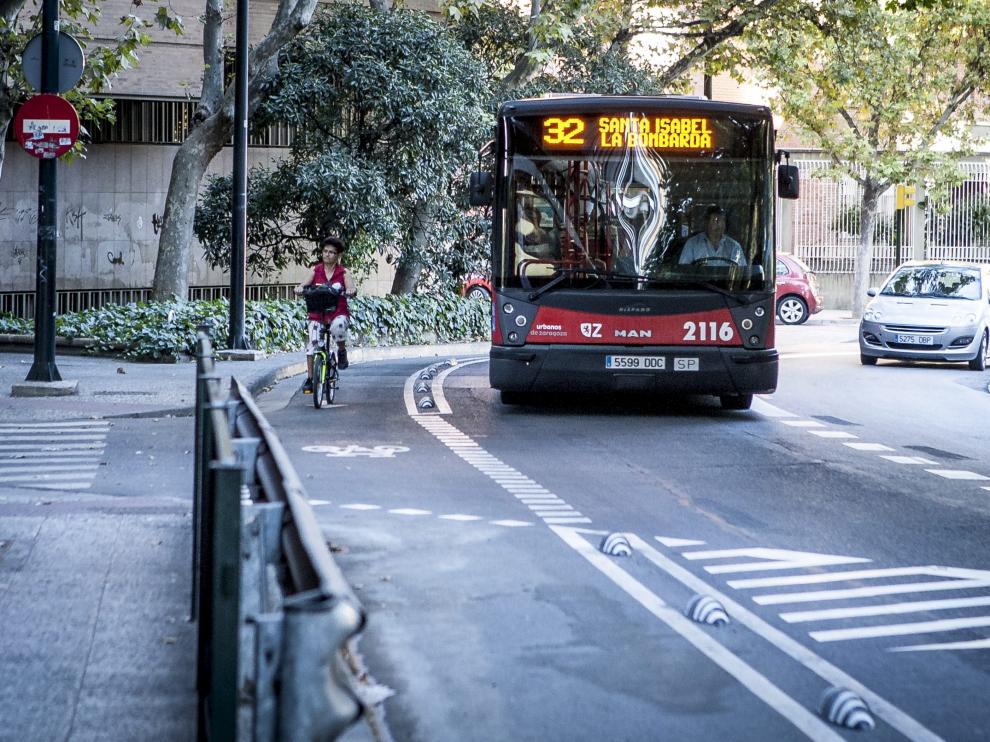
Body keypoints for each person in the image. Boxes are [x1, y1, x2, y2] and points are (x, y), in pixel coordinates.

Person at [294, 236, 357, 393]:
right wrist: (299, 289)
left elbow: (351, 287)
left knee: (339, 326)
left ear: (338, 255)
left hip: (338, 312)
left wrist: (350, 290)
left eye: (332, 252)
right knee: (312, 345)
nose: (327, 254)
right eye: (325, 251)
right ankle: (310, 379)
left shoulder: (343, 272)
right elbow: (303, 285)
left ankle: (341, 351)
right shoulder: (315, 270)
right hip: (318, 313)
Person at [678, 205, 746, 266]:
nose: (719, 225)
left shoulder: (734, 246)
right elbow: (683, 271)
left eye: (723, 221)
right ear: (706, 223)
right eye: (715, 220)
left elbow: (742, 273)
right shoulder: (692, 244)